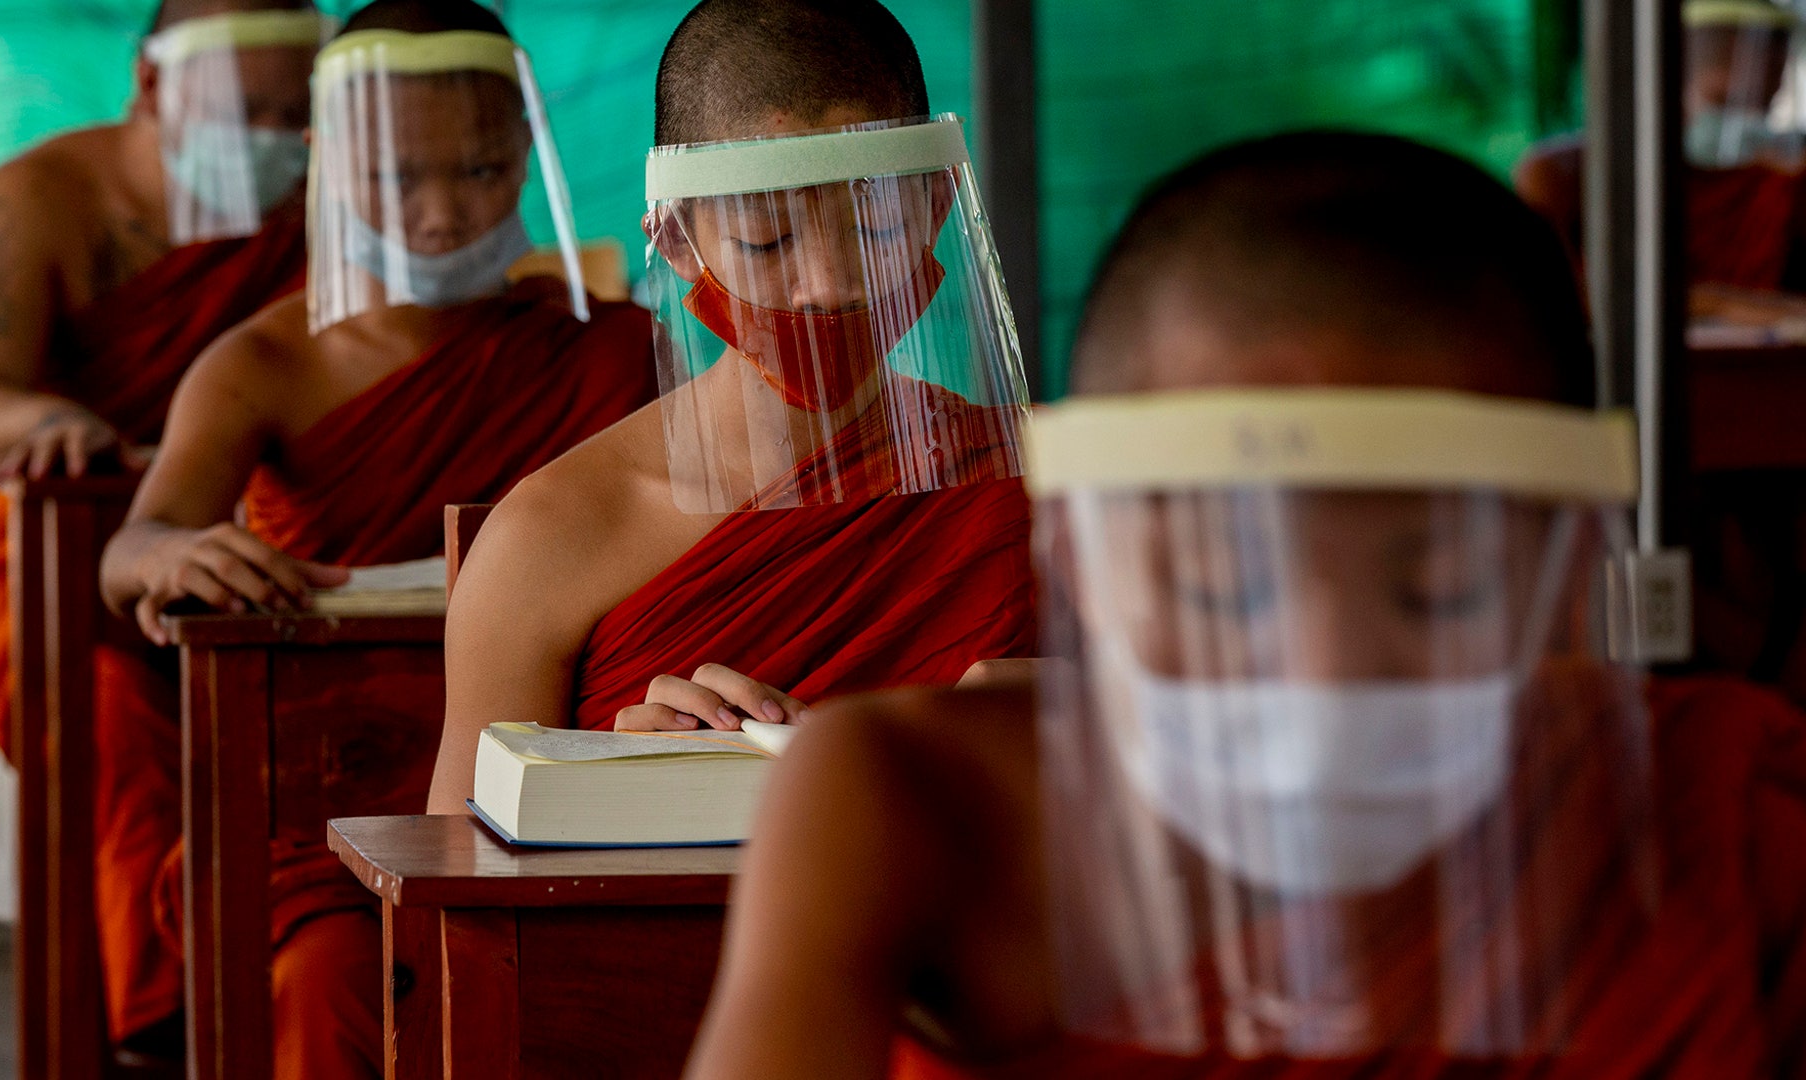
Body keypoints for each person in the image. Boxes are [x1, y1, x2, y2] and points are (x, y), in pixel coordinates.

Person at [687, 132, 1806, 1079]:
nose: (1324, 674)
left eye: (1442, 587)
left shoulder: (1709, 809)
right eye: (1221, 584)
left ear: (1562, 581)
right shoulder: (917, 798)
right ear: (1080, 561)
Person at [93, 1, 657, 1071]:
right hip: (327, 797)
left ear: (528, 153)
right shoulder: (262, 364)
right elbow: (134, 545)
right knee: (338, 976)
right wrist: (171, 553)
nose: (443, 214)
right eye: (399, 180)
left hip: (563, 771)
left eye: (483, 171)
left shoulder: (615, 350)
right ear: (324, 160)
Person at [426, 0, 1036, 813]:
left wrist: (1084, 716)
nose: (824, 284)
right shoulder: (552, 537)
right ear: (677, 243)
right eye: (766, 242)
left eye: (873, 229)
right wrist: (607, 790)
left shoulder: (1019, 482)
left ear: (933, 212)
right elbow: (453, 894)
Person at [0, 0, 319, 770]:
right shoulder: (40, 198)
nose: (275, 141)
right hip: (80, 558)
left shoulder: (329, 203)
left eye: (298, 114)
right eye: (244, 112)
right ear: (149, 82)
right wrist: (47, 423)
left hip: (280, 551)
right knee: (105, 714)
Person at [1516, 0, 1806, 292]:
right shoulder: (1567, 178)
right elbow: (1565, 296)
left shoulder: (1782, 186)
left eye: (1763, 102)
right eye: (1718, 100)